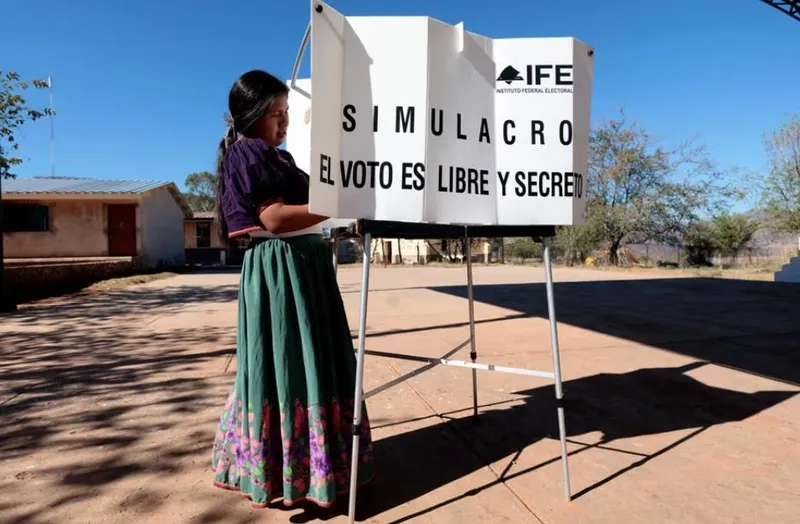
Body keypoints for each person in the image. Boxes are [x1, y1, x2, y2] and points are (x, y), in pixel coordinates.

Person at [210, 69, 375, 509]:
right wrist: (334, 204)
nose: (283, 122)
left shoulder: (276, 157)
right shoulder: (248, 153)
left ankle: (313, 471)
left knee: (309, 362)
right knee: (290, 364)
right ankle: (290, 475)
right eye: (275, 114)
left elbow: (306, 209)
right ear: (251, 115)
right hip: (281, 273)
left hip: (302, 269)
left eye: (285, 113)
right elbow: (275, 219)